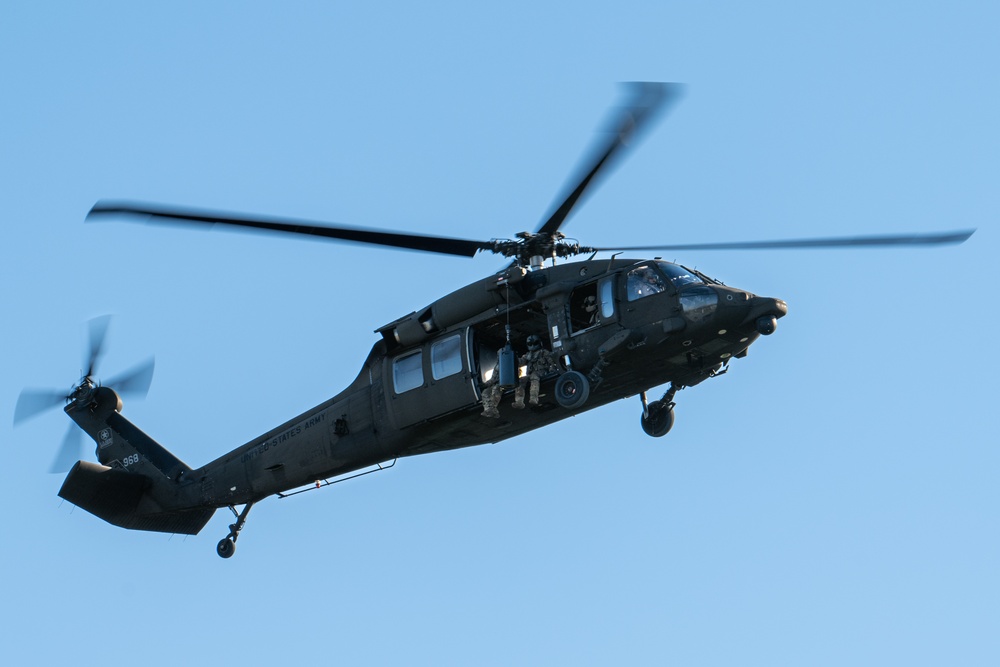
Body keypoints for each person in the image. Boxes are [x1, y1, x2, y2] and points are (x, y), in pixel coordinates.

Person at [513, 335, 560, 409]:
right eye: (530, 344)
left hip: (542, 373)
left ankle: (534, 398)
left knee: (534, 376)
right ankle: (519, 401)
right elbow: (521, 362)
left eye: (535, 343)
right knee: (521, 380)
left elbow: (552, 362)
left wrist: (552, 370)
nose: (532, 346)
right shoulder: (528, 355)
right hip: (531, 374)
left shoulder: (544, 353)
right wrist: (513, 358)